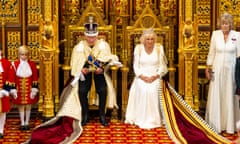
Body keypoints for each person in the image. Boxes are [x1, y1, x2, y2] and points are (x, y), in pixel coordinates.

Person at [70, 16, 119, 126]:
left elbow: (108, 60)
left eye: (93, 37)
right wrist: (81, 70)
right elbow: (74, 63)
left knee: (102, 90)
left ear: (96, 36)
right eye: (89, 37)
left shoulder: (103, 45)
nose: (91, 40)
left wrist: (102, 69)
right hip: (85, 75)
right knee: (82, 91)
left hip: (99, 74)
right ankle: (85, 115)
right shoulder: (79, 47)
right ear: (85, 36)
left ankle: (102, 115)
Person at [124, 28, 168, 129]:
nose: (150, 41)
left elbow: (162, 66)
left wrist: (156, 76)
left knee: (154, 89)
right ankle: (140, 117)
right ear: (143, 39)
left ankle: (155, 119)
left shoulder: (159, 48)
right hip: (141, 76)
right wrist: (142, 76)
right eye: (148, 39)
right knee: (143, 89)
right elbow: (136, 66)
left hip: (155, 76)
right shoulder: (138, 48)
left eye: (152, 39)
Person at [205, 12, 240, 134]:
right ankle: (216, 125)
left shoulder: (237, 35)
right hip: (217, 69)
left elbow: (239, 56)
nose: (225, 26)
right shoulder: (215, 35)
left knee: (229, 95)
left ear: (231, 25)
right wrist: (208, 68)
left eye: (227, 24)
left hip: (231, 71)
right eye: (223, 23)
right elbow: (211, 53)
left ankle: (230, 125)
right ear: (220, 24)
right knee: (217, 94)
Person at [7, 45, 39, 131]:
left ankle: (27, 122)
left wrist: (34, 89)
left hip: (29, 88)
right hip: (19, 89)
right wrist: (13, 90)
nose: (24, 56)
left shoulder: (32, 64)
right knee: (20, 105)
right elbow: (11, 78)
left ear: (28, 55)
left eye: (25, 54)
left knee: (28, 105)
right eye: (22, 54)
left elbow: (35, 77)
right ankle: (22, 122)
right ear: (19, 54)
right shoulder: (15, 64)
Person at [0, 44, 11, 139]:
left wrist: (4, 90)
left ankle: (1, 130)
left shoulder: (6, 63)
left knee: (3, 112)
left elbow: (9, 78)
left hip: (3, 93)